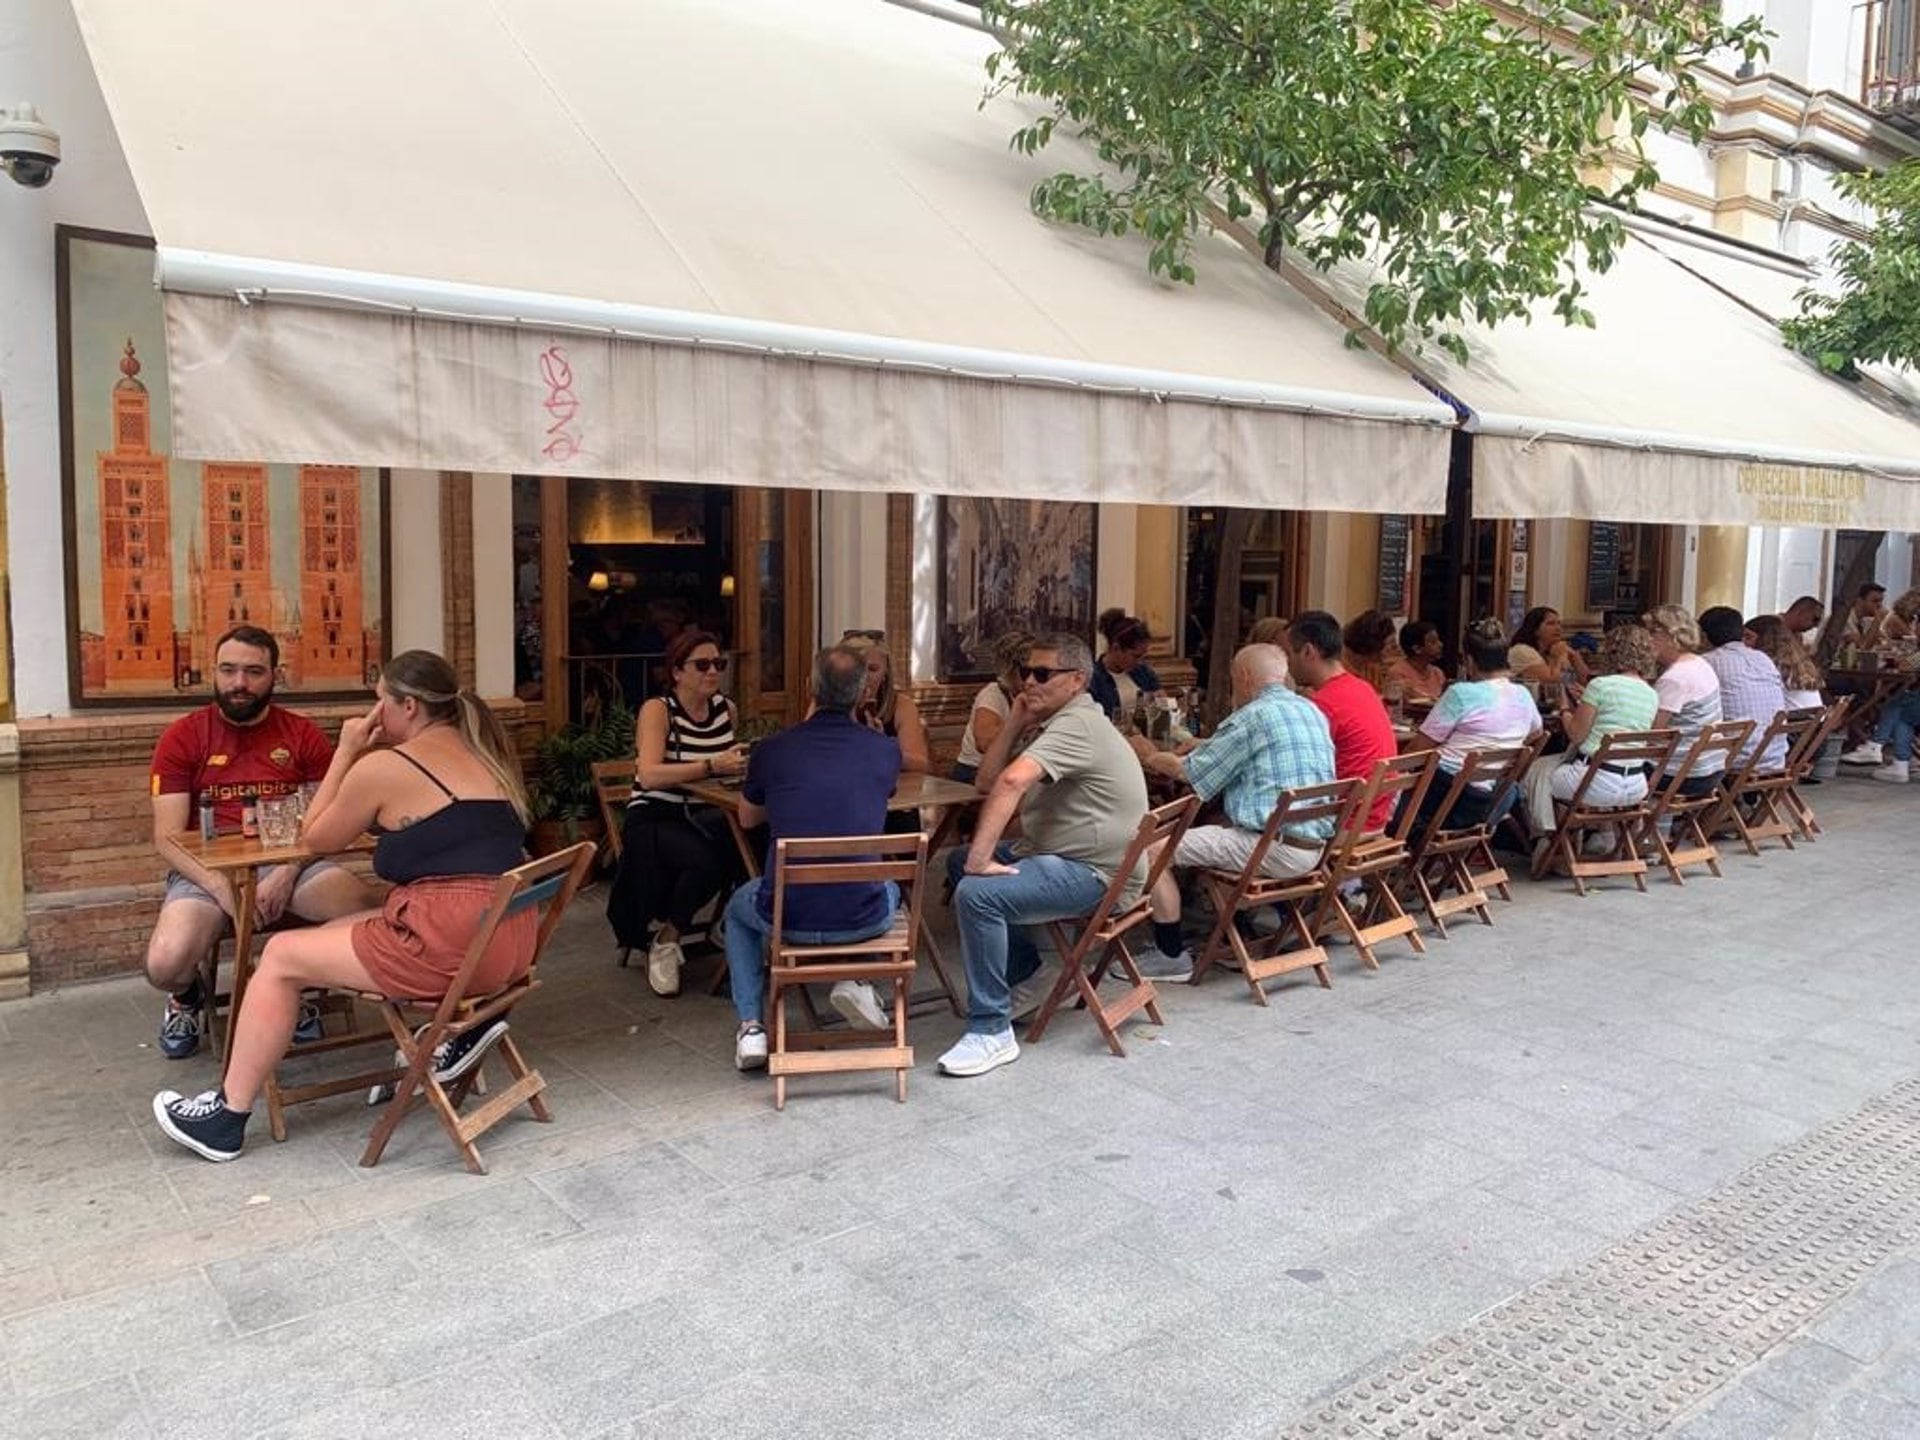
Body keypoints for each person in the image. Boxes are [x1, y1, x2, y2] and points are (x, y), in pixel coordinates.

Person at [152, 650, 533, 1162]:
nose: (374, 714)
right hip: (506, 943)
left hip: (449, 942)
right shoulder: (485, 753)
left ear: (409, 708)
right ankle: (451, 1034)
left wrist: (348, 750)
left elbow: (313, 836)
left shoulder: (386, 766)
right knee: (356, 917)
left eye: (380, 702)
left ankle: (226, 1117)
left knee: (280, 957)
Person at [144, 626, 379, 1060]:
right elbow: (167, 839)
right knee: (164, 964)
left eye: (254, 672)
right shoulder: (182, 737)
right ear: (213, 673)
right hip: (208, 874)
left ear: (275, 675)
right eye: (229, 670)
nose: (239, 683)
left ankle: (297, 986)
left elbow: (323, 820)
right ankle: (186, 998)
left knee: (366, 913)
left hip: (294, 863)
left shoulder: (302, 734)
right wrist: (222, 887)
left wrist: (287, 874)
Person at [941, 634, 1149, 1077]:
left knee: (976, 892)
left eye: (1041, 674)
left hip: (1095, 873)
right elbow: (985, 780)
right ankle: (1027, 975)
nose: (1027, 682)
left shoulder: (1077, 725)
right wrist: (1015, 721)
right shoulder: (1061, 720)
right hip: (1075, 855)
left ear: (1076, 680)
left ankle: (990, 1029)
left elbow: (1011, 783)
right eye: (1024, 673)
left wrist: (982, 862)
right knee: (958, 862)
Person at [722, 646, 904, 1070]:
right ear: (863, 693)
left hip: (786, 916)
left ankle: (751, 1027)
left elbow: (748, 819)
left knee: (736, 908)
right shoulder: (884, 751)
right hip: (863, 919)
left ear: (809, 689)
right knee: (891, 886)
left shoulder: (773, 750)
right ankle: (855, 977)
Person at [1133, 644, 1335, 978]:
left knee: (1151, 849)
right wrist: (1208, 747)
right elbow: (1251, 751)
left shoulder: (1251, 717)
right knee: (1218, 827)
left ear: (1242, 677)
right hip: (1313, 849)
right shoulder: (1309, 709)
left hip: (1273, 849)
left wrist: (1146, 753)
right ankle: (1238, 928)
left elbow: (1190, 774)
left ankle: (1170, 956)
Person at [606, 630, 748, 998]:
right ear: (677, 671)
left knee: (758, 839)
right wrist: (711, 766)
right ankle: (668, 939)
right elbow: (650, 774)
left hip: (706, 811)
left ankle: (732, 920)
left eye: (719, 663)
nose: (712, 672)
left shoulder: (725, 710)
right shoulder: (658, 710)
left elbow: (722, 769)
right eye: (702, 665)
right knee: (705, 861)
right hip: (655, 813)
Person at [1403, 618, 1543, 836]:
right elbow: (1536, 732)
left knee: (1384, 789)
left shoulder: (1460, 694)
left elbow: (1418, 749)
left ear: (1469, 661)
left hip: (1443, 799)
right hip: (1488, 800)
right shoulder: (1523, 695)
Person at [1523, 622, 1660, 840]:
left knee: (1537, 772)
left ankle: (1547, 838)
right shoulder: (1651, 693)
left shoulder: (1601, 686)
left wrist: (1565, 709)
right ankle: (1590, 839)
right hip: (1634, 785)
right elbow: (1617, 717)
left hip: (1594, 783)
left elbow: (1576, 735)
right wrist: (1588, 700)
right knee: (1547, 769)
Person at [1286, 611, 1397, 832]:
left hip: (1343, 826)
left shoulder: (1323, 705)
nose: (1286, 663)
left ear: (1308, 652)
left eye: (1289, 654)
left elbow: (1297, 770)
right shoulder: (1363, 688)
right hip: (1375, 820)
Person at [1644, 605, 1724, 796]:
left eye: (1650, 634)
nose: (1645, 641)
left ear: (1668, 637)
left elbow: (1652, 734)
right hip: (1710, 767)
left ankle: (1623, 825)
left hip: (1681, 774)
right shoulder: (1700, 663)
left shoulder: (1674, 678)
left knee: (1607, 769)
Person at [1700, 606, 1789, 772]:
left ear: (1704, 636)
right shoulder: (1763, 659)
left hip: (1735, 758)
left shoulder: (1707, 662)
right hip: (1774, 756)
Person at [952, 630, 1034, 784]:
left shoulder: (1040, 695)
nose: (1032, 679)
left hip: (1015, 770)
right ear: (1010, 671)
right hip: (973, 773)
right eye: (1025, 672)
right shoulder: (993, 694)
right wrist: (1023, 722)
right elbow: (984, 742)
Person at [841, 637, 930, 774]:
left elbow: (920, 763)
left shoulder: (901, 705)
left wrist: (882, 747)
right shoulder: (827, 702)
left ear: (885, 673)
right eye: (856, 669)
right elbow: (811, 751)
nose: (864, 677)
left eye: (872, 669)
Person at [1088, 610, 1162, 720]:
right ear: (1116, 648)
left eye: (1143, 656)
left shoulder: (1143, 671)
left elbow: (1160, 700)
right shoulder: (1093, 679)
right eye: (1135, 656)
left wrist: (1160, 701)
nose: (1140, 661)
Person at [1747, 614, 1825, 711]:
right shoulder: (1798, 660)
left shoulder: (1767, 664)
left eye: (1748, 637)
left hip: (1792, 722)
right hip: (1812, 722)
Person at [1509, 607, 1590, 689]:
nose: (1558, 628)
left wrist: (1574, 656)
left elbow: (1585, 681)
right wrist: (1557, 657)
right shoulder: (1522, 650)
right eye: (1551, 624)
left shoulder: (1556, 648)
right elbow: (1551, 686)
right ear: (1535, 629)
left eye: (1559, 624)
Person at [1386, 619, 1448, 703]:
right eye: (1433, 641)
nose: (1440, 644)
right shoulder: (1398, 673)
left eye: (1438, 640)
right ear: (1417, 649)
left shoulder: (1438, 673)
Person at [1341, 610, 1396, 694]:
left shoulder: (1373, 669)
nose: (1395, 648)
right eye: (1390, 644)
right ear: (1374, 643)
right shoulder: (1338, 668)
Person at [1842, 583, 1889, 648]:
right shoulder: (1843, 620)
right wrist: (1877, 621)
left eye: (1881, 601)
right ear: (1860, 601)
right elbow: (1863, 648)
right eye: (1875, 601)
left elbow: (1883, 641)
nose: (1879, 605)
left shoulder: (1867, 621)